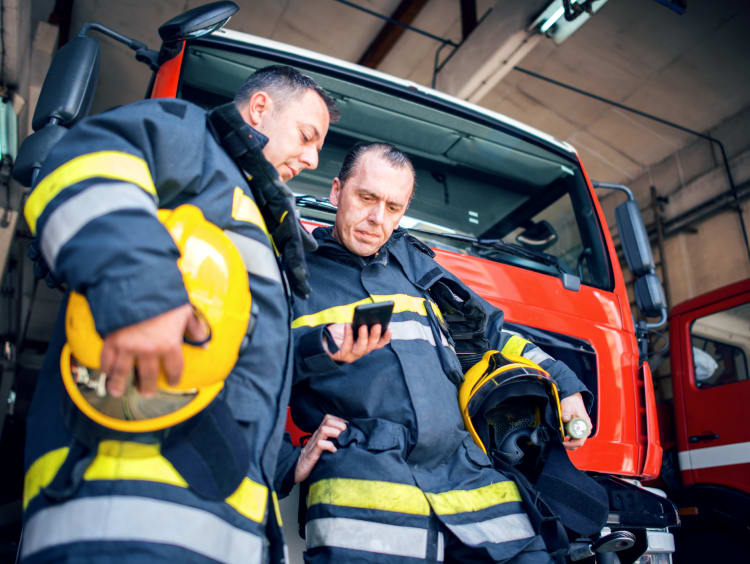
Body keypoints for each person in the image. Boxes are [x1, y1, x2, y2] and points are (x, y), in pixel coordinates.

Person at [20, 65, 338, 563]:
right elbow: (84, 166)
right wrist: (140, 292)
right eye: (306, 135)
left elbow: (240, 372)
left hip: (221, 525)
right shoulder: (192, 136)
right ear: (259, 109)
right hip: (122, 513)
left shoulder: (261, 221)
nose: (312, 157)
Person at [282, 142, 593, 563]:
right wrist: (287, 459)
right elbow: (247, 372)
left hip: (471, 486)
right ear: (337, 192)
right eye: (366, 198)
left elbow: (492, 339)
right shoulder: (292, 275)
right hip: (367, 506)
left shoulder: (419, 269)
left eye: (393, 207)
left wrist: (564, 383)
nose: (377, 219)